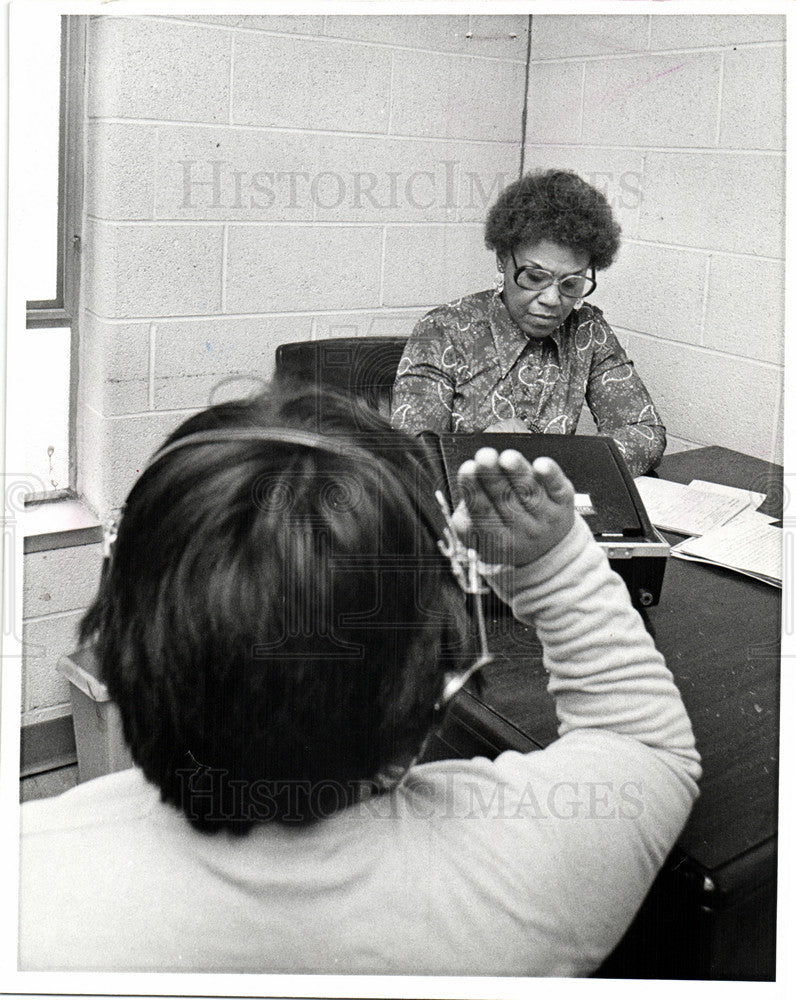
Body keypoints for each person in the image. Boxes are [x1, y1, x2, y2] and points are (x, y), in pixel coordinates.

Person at [18, 383, 699, 975]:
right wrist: (552, 565)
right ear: (433, 683)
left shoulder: (30, 894)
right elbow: (645, 746)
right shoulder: (523, 880)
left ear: (118, 634)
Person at [391, 169, 665, 477]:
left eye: (571, 284)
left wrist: (547, 460)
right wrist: (479, 449)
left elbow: (646, 433)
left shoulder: (588, 331)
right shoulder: (444, 330)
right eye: (535, 277)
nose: (551, 298)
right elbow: (408, 458)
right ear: (502, 259)